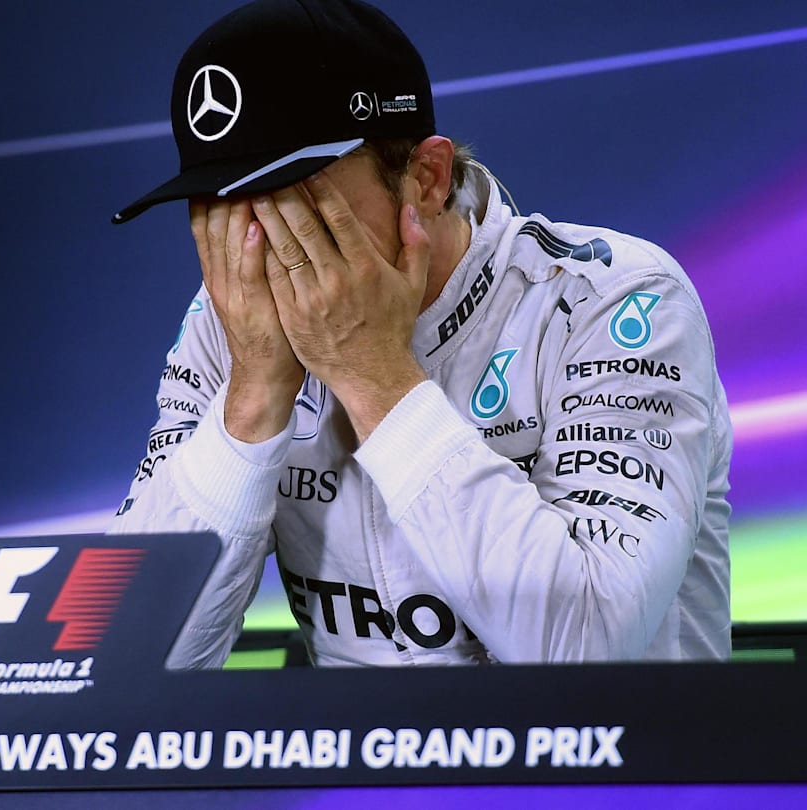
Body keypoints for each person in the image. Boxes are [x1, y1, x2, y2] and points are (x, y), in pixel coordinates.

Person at [107, 0, 732, 667]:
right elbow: (124, 669)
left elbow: (582, 651)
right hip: (360, 771)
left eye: (291, 198)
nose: (261, 246)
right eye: (225, 208)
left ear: (427, 179)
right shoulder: (233, 322)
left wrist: (373, 374)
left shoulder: (613, 301)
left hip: (615, 771)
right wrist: (254, 397)